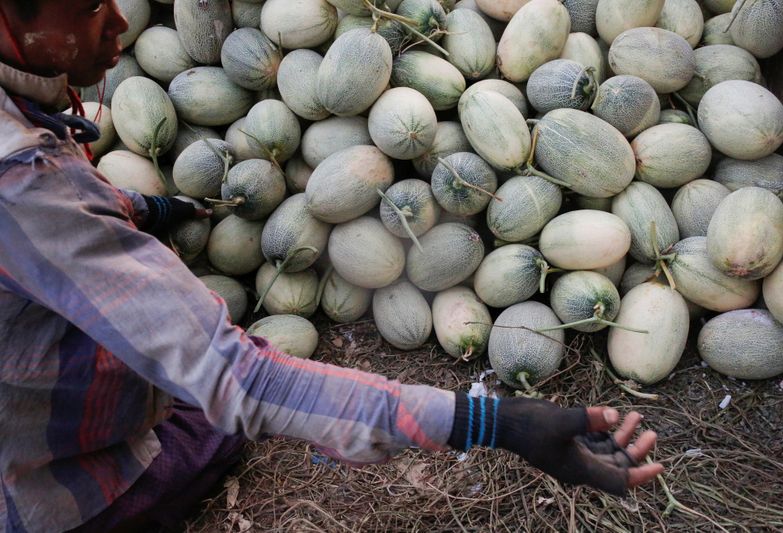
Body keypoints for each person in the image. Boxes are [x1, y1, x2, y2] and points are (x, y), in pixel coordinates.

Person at [0, 1, 664, 531]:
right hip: (36, 492)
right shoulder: (22, 183)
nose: (117, 20)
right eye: (89, 7)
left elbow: (61, 212)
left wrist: (147, 205)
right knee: (225, 417)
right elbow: (241, 377)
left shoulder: (27, 136)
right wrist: (501, 422)